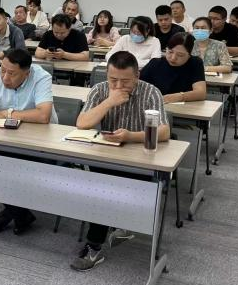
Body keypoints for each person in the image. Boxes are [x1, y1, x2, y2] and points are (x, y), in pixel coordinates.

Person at [71, 51, 170, 271]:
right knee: (102, 185)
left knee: (104, 187)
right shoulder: (100, 90)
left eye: (125, 81)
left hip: (140, 160)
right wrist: (109, 102)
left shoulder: (151, 92)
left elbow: (164, 131)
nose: (118, 85)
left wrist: (131, 136)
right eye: (113, 79)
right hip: (107, 157)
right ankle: (111, 230)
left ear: (137, 76)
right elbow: (82, 123)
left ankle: (95, 244)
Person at [0, 48, 56, 235]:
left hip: (41, 141)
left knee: (12, 168)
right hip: (8, 138)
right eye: (2, 70)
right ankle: (20, 214)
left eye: (12, 74)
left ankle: (11, 213)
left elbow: (43, 115)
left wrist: (6, 114)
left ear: (26, 73)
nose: (5, 78)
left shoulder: (41, 77)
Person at [140, 33, 206, 103]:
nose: (173, 58)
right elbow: (137, 85)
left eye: (180, 55)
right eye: (170, 52)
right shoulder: (155, 63)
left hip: (184, 107)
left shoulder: (195, 63)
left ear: (189, 55)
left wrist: (178, 97)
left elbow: (201, 93)